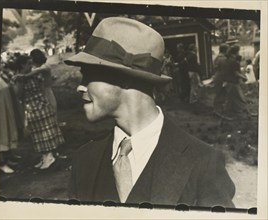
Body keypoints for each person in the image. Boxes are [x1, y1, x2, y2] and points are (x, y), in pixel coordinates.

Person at [65, 17, 235, 207]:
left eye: (89, 75)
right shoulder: (84, 160)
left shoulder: (204, 163)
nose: (80, 87)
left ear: (124, 78)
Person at [13, 54, 64, 170]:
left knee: (44, 133)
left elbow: (23, 95)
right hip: (34, 108)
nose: (31, 66)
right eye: (29, 64)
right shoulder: (21, 78)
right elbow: (20, 95)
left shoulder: (28, 76)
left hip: (38, 107)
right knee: (39, 134)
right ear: (22, 65)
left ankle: (49, 157)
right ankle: (45, 157)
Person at [221, 45, 253, 118]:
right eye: (238, 51)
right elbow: (236, 73)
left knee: (230, 100)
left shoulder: (226, 60)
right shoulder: (234, 62)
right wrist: (244, 78)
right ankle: (248, 114)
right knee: (241, 99)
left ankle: (227, 114)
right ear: (235, 52)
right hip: (233, 83)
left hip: (227, 82)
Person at [212, 43, 230, 119]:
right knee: (221, 94)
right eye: (228, 49)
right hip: (221, 78)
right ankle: (218, 111)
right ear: (225, 50)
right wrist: (225, 80)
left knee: (218, 93)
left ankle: (217, 110)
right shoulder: (222, 58)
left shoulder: (217, 57)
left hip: (217, 77)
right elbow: (224, 71)